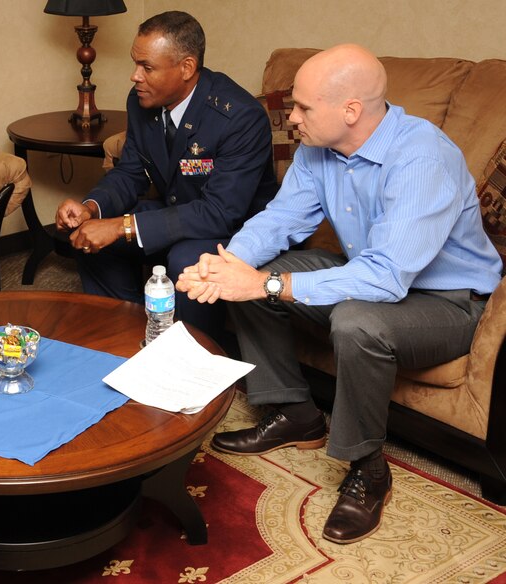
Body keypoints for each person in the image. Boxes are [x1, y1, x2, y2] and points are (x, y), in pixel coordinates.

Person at [177, 44, 502, 543]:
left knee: (351, 318)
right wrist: (228, 267)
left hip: (449, 303)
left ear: (350, 111)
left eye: (303, 107)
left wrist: (263, 282)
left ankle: (368, 467)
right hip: (365, 274)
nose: (291, 117)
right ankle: (294, 413)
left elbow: (386, 277)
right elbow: (282, 220)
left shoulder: (422, 157)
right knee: (253, 277)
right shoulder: (318, 148)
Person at [55, 11, 277, 340]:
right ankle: (126, 336)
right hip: (177, 214)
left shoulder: (239, 118)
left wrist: (121, 226)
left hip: (233, 228)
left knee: (188, 259)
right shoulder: (143, 101)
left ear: (186, 68)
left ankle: (198, 356)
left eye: (147, 67)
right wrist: (92, 207)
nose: (135, 77)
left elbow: (219, 212)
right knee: (88, 235)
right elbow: (131, 172)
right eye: (135, 64)